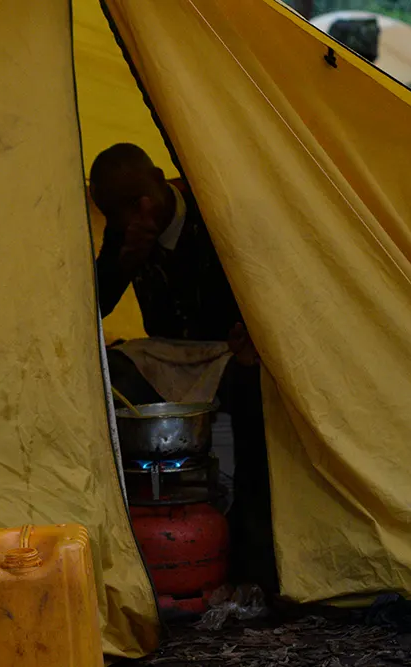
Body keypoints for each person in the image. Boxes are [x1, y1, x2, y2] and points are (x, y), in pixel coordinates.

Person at [90, 142, 277, 596]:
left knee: (257, 391)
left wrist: (255, 335)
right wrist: (123, 263)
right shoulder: (124, 231)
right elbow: (93, 304)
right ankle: (138, 525)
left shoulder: (214, 209)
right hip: (169, 353)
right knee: (104, 375)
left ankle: (255, 549)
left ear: (147, 201)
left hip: (228, 351)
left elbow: (267, 279)